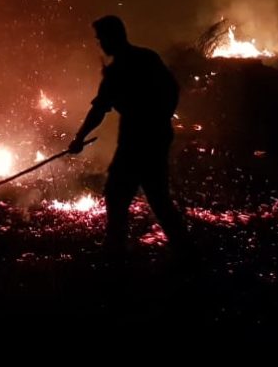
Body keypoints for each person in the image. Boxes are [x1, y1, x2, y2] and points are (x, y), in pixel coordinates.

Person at [68, 15, 190, 255]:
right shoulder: (147, 57)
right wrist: (163, 118)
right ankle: (184, 250)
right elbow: (173, 89)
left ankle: (115, 250)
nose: (100, 44)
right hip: (156, 136)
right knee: (156, 196)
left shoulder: (119, 70)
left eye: (101, 38)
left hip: (136, 140)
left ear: (113, 37)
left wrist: (79, 139)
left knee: (118, 193)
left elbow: (98, 110)